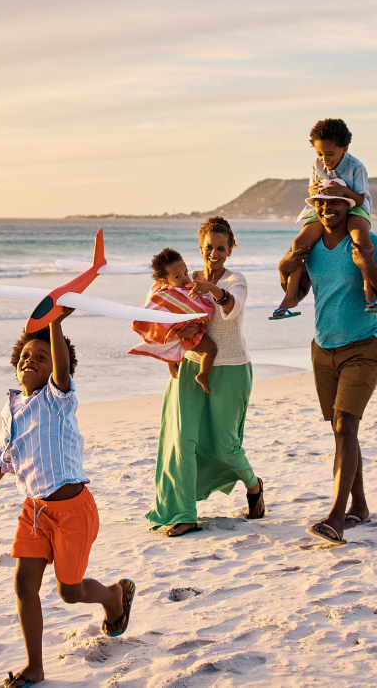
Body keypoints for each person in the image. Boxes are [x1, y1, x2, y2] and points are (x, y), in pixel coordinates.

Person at [0, 313, 135, 688]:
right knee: (24, 585)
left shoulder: (57, 399)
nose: (30, 359)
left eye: (42, 356)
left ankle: (114, 596)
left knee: (69, 592)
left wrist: (54, 324)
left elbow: (61, 368)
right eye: (25, 354)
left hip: (73, 511)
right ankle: (34, 667)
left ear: (57, 367)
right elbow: (1, 456)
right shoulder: (12, 408)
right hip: (34, 511)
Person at [278, 194, 377, 545]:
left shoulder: (370, 242)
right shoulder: (314, 244)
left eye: (334, 201)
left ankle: (337, 517)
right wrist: (284, 267)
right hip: (323, 350)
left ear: (350, 205)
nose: (326, 208)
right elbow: (299, 292)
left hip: (364, 347)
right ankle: (359, 507)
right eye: (320, 203)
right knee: (341, 430)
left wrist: (369, 268)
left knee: (346, 426)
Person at [145, 217, 265, 538]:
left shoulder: (236, 280)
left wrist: (211, 288)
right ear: (200, 247)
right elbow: (160, 302)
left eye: (221, 248)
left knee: (226, 446)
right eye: (209, 247)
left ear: (230, 249)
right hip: (189, 366)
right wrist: (175, 330)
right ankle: (184, 514)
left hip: (231, 368)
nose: (214, 252)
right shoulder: (184, 278)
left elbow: (231, 304)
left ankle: (254, 487)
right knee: (183, 441)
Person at [273, 118, 377, 318]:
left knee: (361, 238)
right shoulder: (316, 164)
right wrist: (313, 190)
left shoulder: (357, 167)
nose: (324, 159)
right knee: (299, 244)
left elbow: (359, 199)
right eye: (320, 153)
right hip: (324, 207)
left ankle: (370, 293)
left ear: (344, 148)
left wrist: (343, 190)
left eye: (329, 154)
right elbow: (312, 189)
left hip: (354, 206)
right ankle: (290, 297)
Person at [128, 247, 218, 393]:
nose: (184, 278)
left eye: (184, 272)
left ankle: (172, 363)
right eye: (177, 276)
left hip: (190, 330)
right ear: (165, 280)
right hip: (181, 334)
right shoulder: (163, 296)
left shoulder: (185, 287)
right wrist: (178, 332)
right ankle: (203, 375)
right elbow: (154, 320)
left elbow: (193, 303)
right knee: (211, 349)